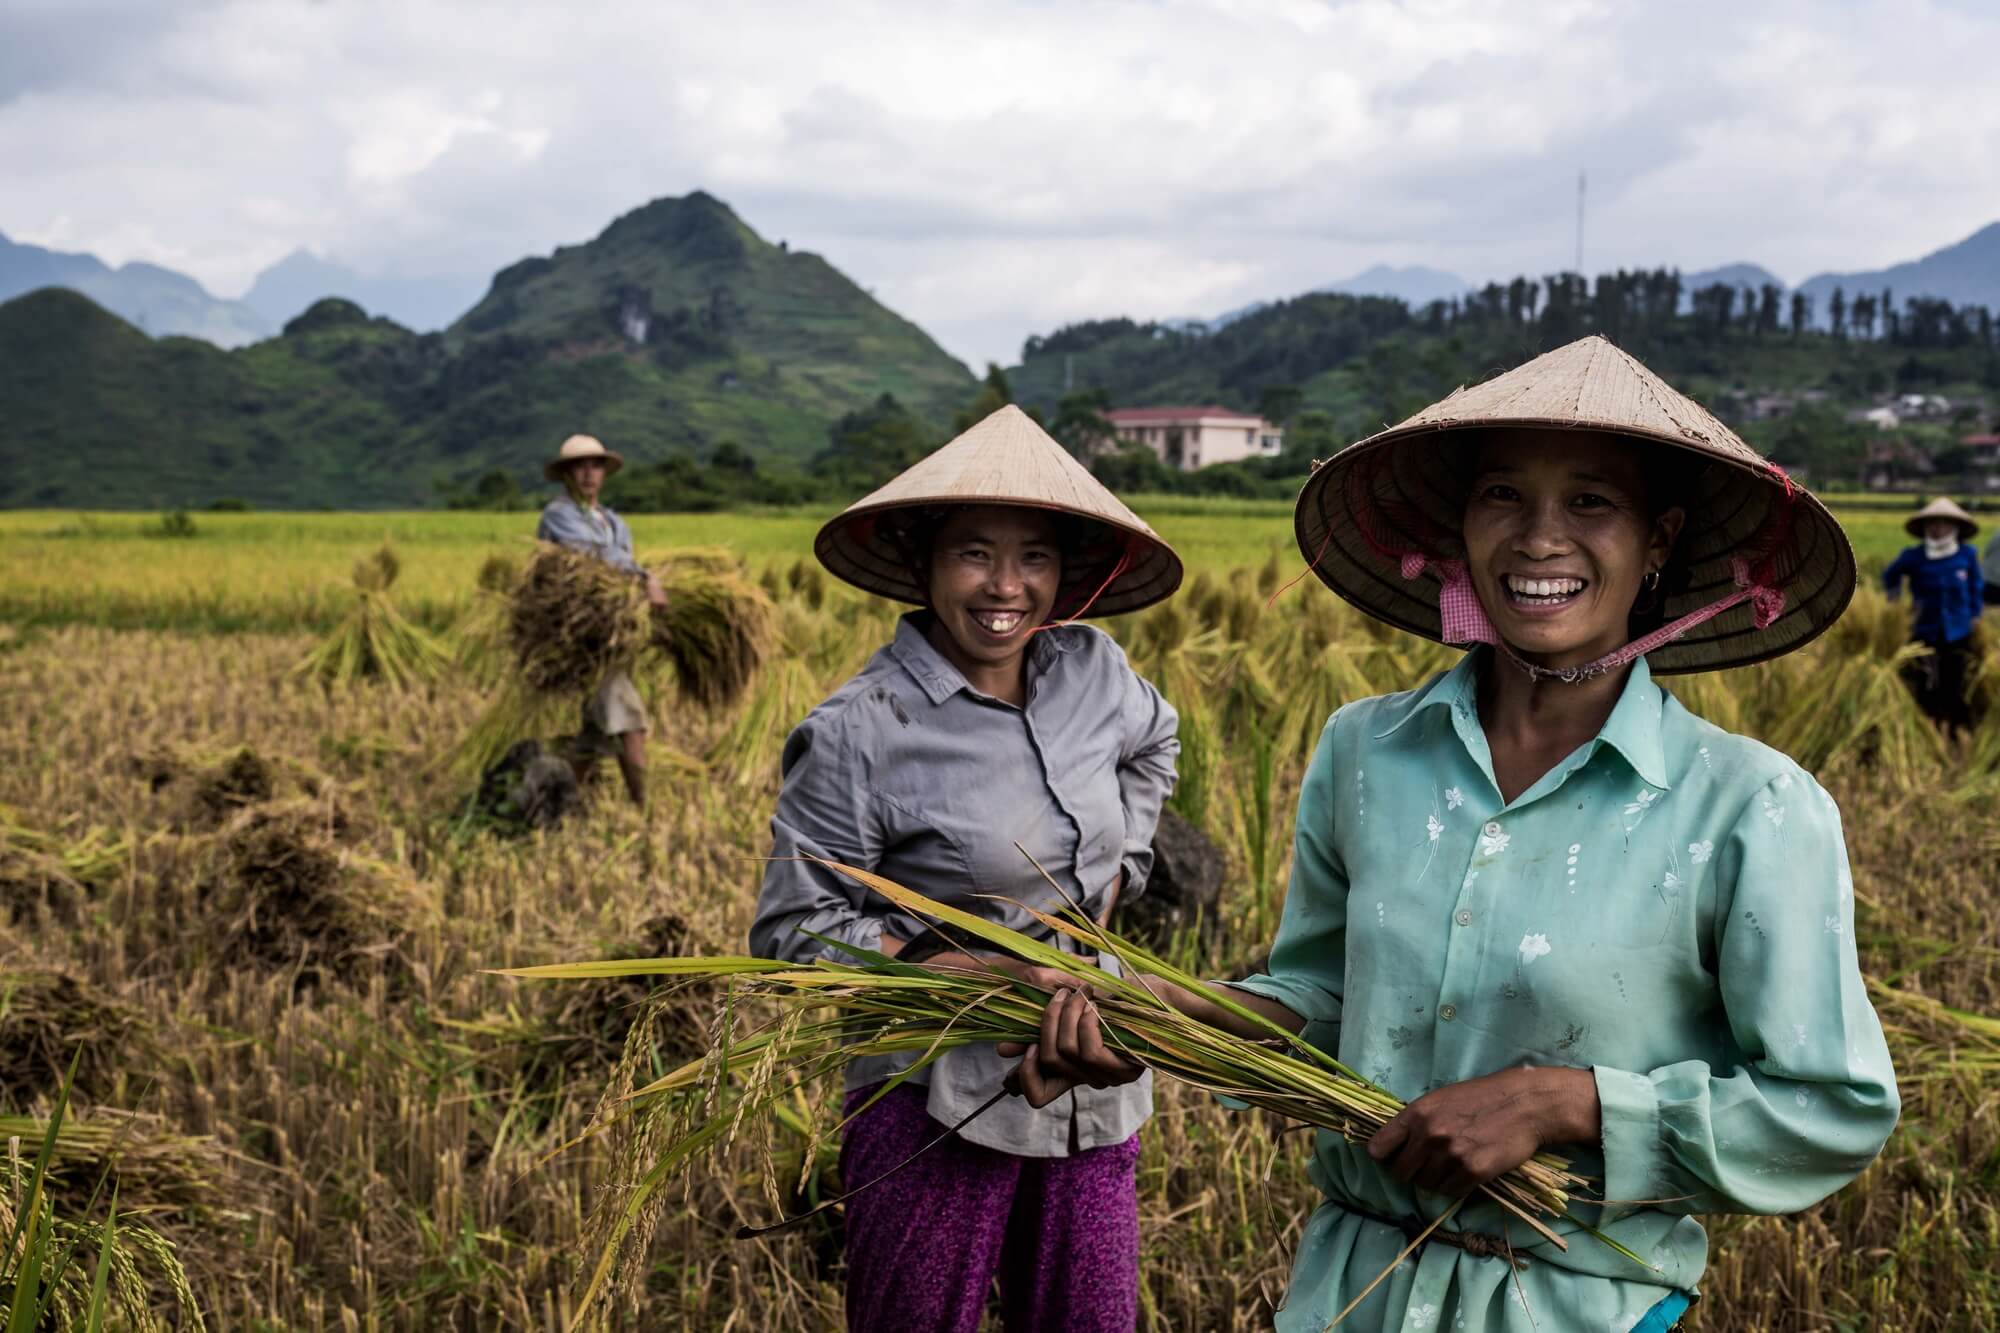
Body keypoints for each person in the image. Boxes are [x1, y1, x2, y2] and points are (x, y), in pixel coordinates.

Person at [1008, 337, 1900, 1332]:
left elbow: (1829, 1106)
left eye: (1591, 502)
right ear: (1459, 527)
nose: (1538, 539)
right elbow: (1322, 997)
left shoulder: (1747, 806)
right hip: (1351, 1293)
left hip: (1584, 1306)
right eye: (1502, 496)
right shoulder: (1367, 751)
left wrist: (1566, 1102)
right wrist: (1157, 1015)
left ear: (1661, 539)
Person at [749, 405, 1184, 1333]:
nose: (1006, 585)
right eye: (974, 552)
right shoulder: (860, 731)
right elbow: (793, 930)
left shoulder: (1096, 669)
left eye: (1034, 555)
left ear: (1064, 571)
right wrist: (978, 971)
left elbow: (1158, 740)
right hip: (930, 1096)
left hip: (1093, 1081)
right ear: (924, 562)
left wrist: (1119, 877)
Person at [535, 433, 669, 807]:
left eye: (595, 466)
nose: (589, 474)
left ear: (604, 473)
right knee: (631, 721)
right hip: (580, 641)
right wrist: (647, 578)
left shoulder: (615, 522)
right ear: (566, 474)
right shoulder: (559, 515)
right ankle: (645, 810)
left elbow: (620, 582)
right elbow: (595, 555)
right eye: (580, 466)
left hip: (610, 639)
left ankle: (556, 807)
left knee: (592, 738)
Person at [1883, 497, 1984, 733]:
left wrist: (1975, 614)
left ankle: (1954, 728)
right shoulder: (1915, 556)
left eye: (1943, 524)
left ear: (1954, 527)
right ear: (1925, 528)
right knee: (1924, 678)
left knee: (1954, 679)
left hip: (1958, 629)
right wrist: (1896, 601)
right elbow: (1891, 575)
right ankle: (1927, 724)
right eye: (1932, 524)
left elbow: (1975, 588)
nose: (1937, 529)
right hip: (1924, 628)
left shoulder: (1967, 555)